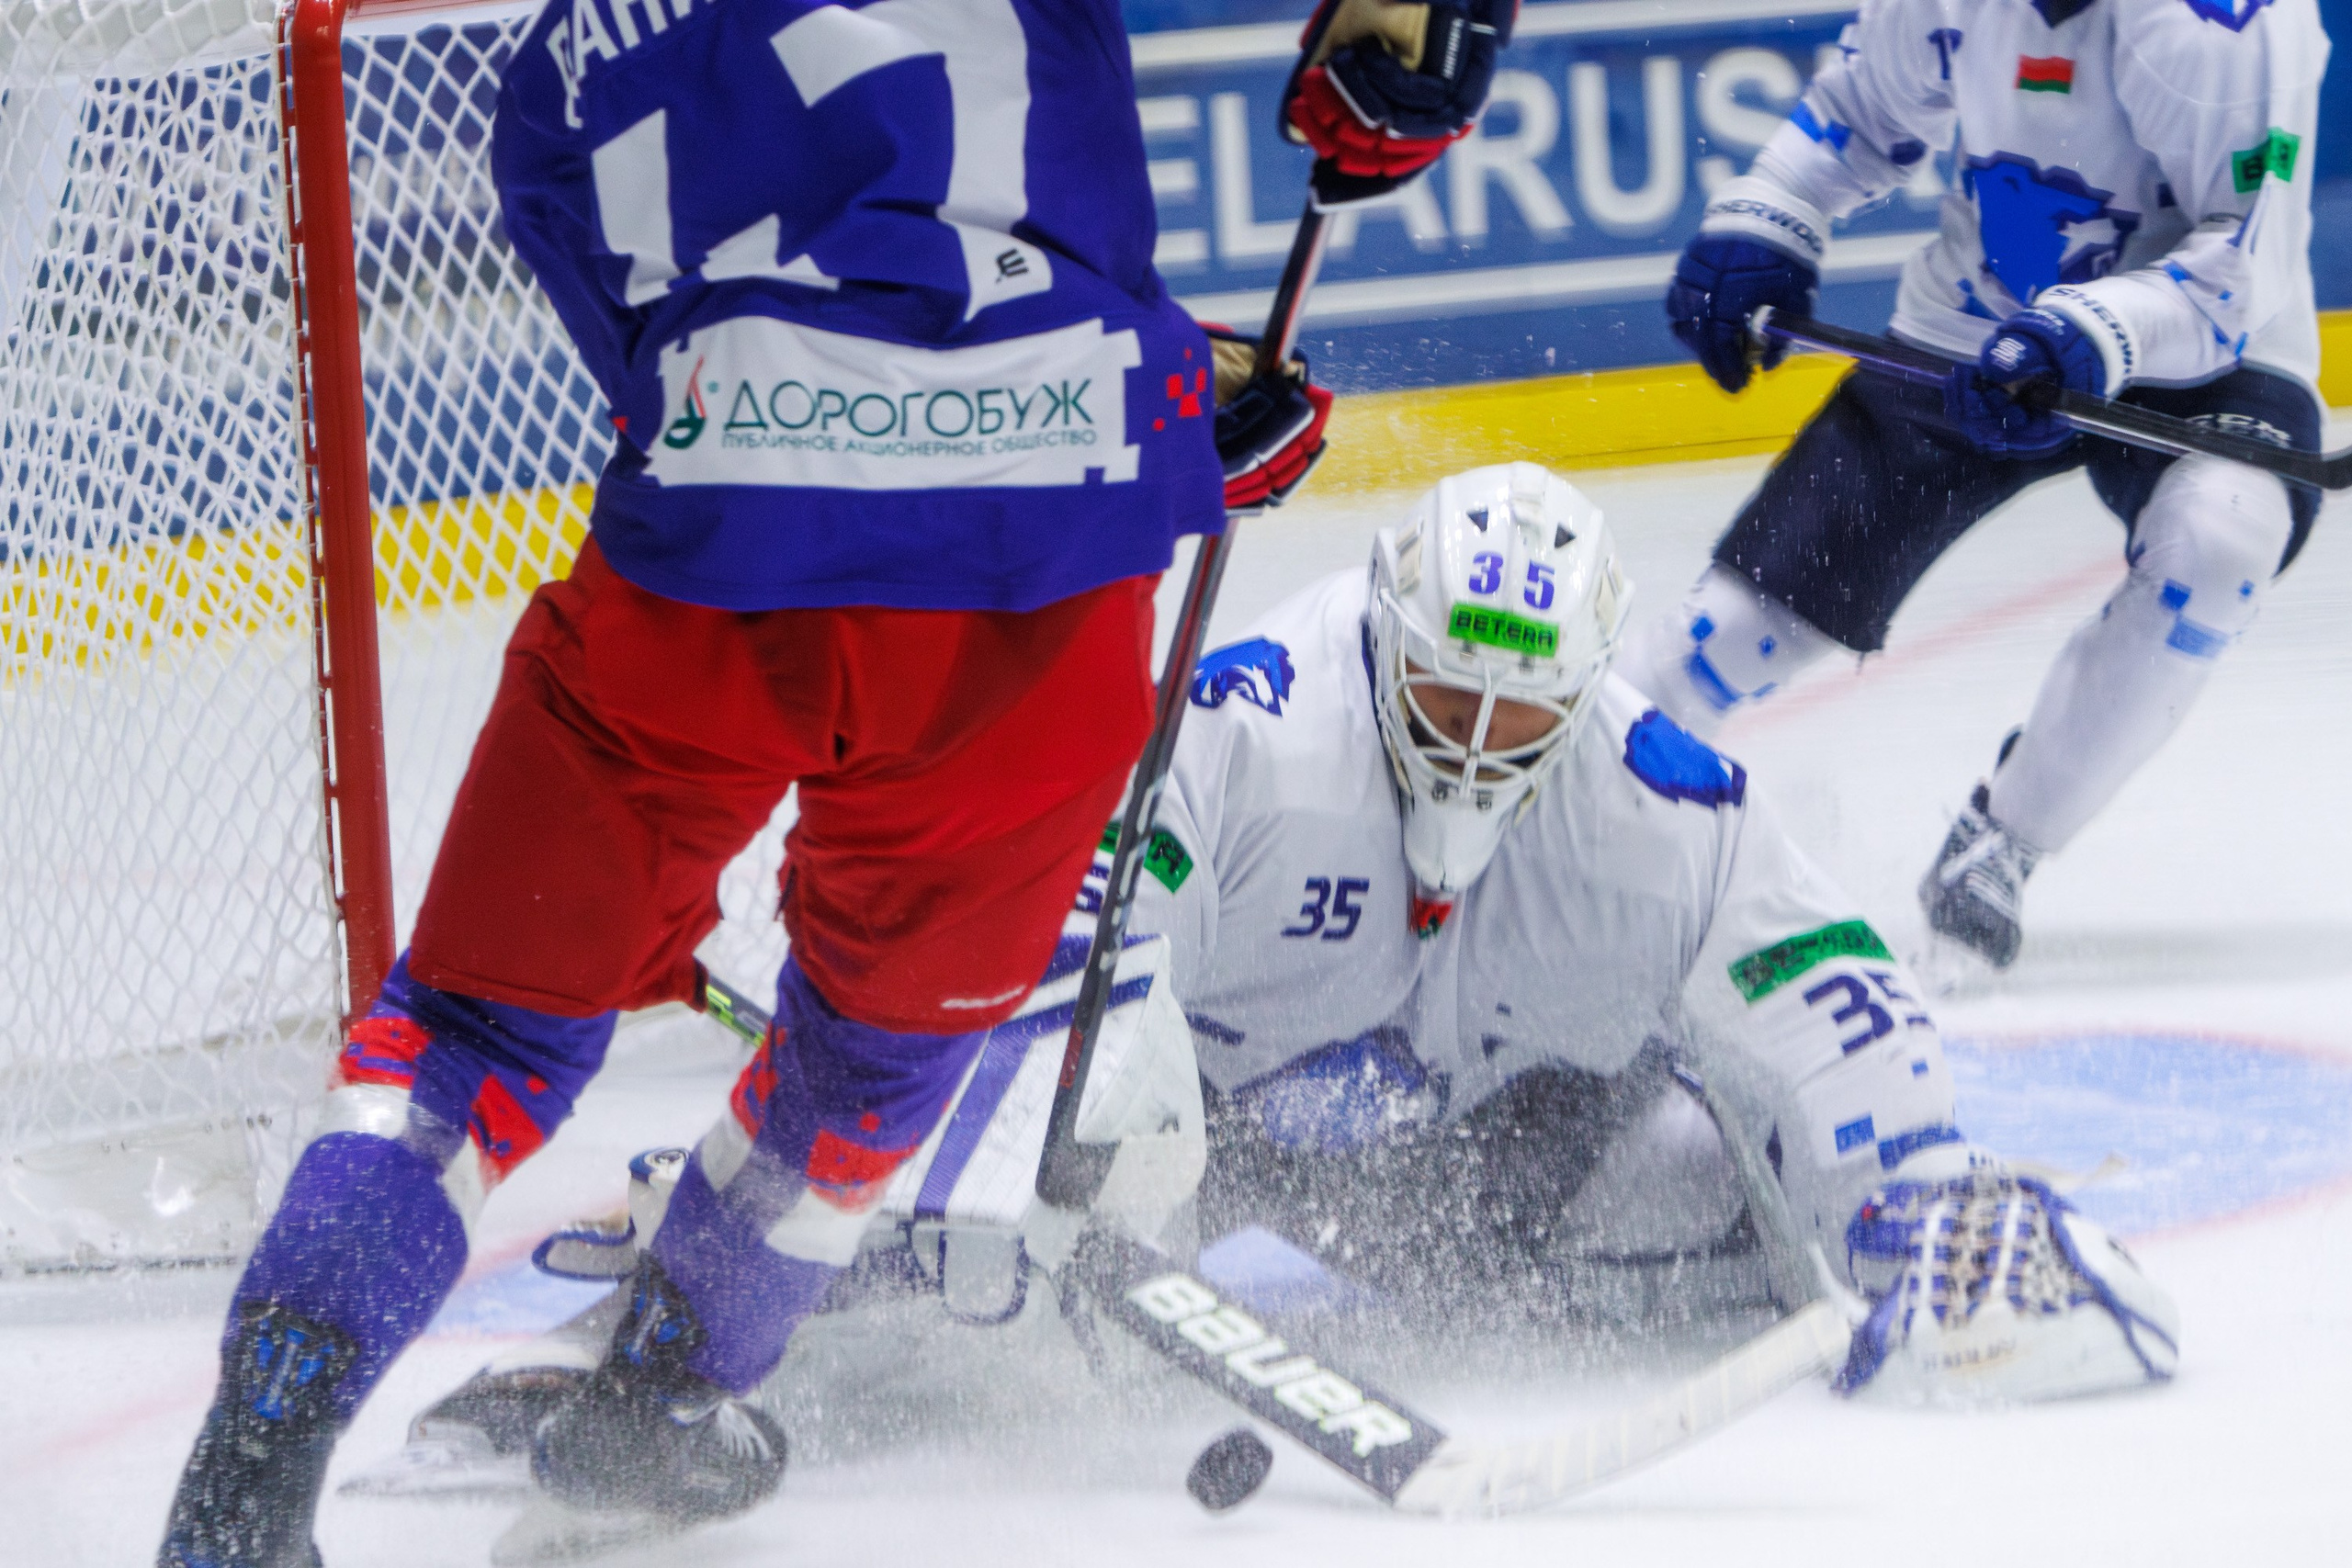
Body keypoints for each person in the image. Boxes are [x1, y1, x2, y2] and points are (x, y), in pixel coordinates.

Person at [152, 0, 1517, 1553]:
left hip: (715, 560)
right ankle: (664, 1397)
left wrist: (1066, 405)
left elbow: (689, 346)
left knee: (473, 1031)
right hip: (1037, 589)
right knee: (868, 1063)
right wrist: (1150, 405)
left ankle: (251, 1473)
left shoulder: (557, 72)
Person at [393, 465, 2179, 1533]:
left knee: (1712, 1222)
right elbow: (1051, 928)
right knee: (1000, 1284)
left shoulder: (1659, 804)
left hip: (1473, 1154)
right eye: (1448, 696)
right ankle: (699, 1319)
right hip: (1205, 1138)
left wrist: (1913, 1183)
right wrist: (1025, 1153)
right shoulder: (1247, 717)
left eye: (1523, 714)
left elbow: (1814, 974)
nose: (1477, 741)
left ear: (1584, 693)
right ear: (1387, 638)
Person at [1617, 0, 2330, 965]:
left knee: (2223, 537)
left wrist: (2096, 333)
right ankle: (1568, 798)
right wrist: (1772, 210)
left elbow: (2238, 260)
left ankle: (2007, 838)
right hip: (1981, 322)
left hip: (2212, 348)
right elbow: (1862, 107)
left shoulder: (2230, 23)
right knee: (1730, 635)